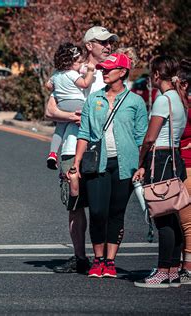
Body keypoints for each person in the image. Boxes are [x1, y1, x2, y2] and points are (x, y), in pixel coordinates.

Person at [45, 26, 118, 274]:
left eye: (110, 43)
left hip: (104, 148)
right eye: (103, 42)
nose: (108, 47)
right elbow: (49, 110)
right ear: (89, 45)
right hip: (70, 147)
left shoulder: (112, 74)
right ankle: (80, 258)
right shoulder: (69, 72)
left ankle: (104, 260)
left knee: (102, 206)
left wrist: (86, 115)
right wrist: (74, 116)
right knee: (75, 206)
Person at [71, 53, 148, 278]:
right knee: (96, 211)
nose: (104, 72)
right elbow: (84, 133)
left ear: (122, 72)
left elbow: (141, 137)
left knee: (116, 213)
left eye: (109, 69)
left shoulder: (135, 102)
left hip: (126, 165)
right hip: (97, 164)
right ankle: (97, 259)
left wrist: (142, 165)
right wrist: (76, 162)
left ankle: (110, 261)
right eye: (103, 69)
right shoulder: (94, 99)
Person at [132, 56, 188, 288]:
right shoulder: (180, 98)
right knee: (172, 217)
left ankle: (163, 270)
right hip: (175, 157)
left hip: (161, 158)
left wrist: (141, 159)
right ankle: (174, 268)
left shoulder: (163, 100)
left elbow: (151, 137)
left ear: (156, 75)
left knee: (162, 217)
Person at [45, 43, 95, 170]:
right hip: (77, 103)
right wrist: (90, 71)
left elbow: (48, 85)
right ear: (71, 62)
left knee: (59, 130)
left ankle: (52, 153)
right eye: (78, 62)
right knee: (82, 126)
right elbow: (84, 84)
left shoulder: (56, 74)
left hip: (61, 105)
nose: (80, 65)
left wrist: (58, 88)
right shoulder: (72, 74)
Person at [178, 58, 191, 285]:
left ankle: (188, 267)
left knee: (186, 220)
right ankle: (181, 264)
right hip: (177, 164)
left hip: (188, 166)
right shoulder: (178, 104)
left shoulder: (187, 105)